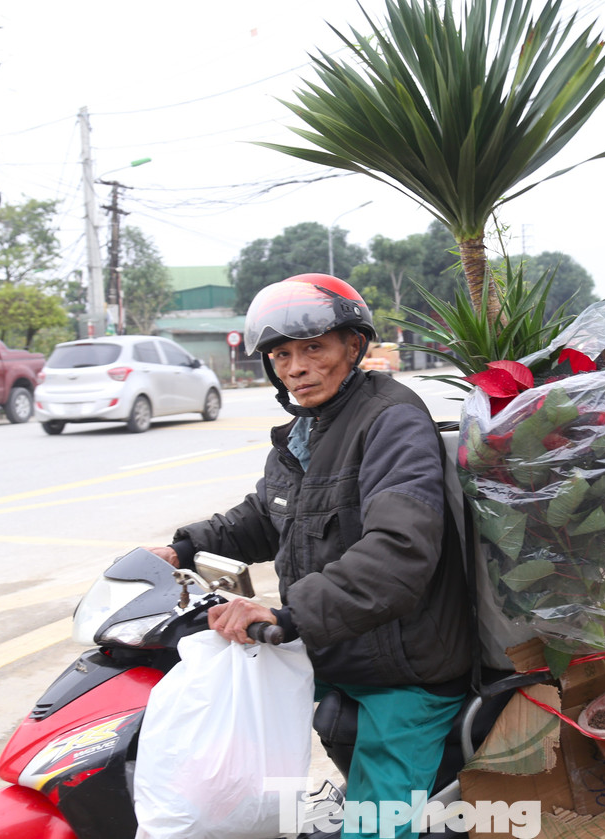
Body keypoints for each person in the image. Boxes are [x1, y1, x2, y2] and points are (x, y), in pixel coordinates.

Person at [147, 273, 472, 839]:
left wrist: (288, 615)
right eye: (281, 354)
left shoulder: (390, 420)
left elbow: (399, 551)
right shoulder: (306, 432)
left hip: (404, 673)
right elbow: (263, 516)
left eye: (314, 348)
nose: (296, 368)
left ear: (354, 346)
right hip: (338, 655)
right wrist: (181, 547)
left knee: (375, 829)